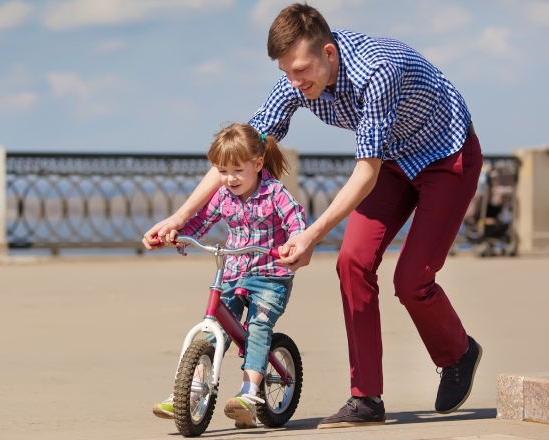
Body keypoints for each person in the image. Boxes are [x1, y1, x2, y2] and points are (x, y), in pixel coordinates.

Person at [144, 3, 483, 430]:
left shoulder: (376, 72)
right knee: (352, 262)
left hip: (445, 156)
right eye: (286, 72)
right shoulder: (295, 80)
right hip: (395, 161)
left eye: (301, 70)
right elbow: (242, 152)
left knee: (412, 280)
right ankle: (366, 399)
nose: (294, 81)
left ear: (328, 52)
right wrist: (178, 216)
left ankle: (458, 353)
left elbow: (367, 170)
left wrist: (311, 233)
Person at [151, 123, 306, 429]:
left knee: (259, 326)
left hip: (270, 275)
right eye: (223, 171)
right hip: (234, 271)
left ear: (257, 164)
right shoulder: (223, 196)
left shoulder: (275, 192)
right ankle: (190, 391)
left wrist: (296, 241)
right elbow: (201, 221)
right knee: (214, 332)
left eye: (237, 170)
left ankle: (248, 394)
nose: (230, 178)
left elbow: (296, 219)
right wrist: (178, 235)